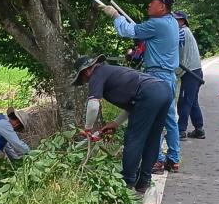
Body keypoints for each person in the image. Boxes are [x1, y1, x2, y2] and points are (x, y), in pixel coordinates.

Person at [100, 0, 180, 173]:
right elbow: (141, 31)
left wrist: (115, 16)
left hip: (157, 76)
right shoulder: (172, 22)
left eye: (151, 3)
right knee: (169, 120)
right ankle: (173, 159)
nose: (148, 6)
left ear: (162, 6)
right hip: (169, 75)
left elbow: (126, 31)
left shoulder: (157, 24)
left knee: (156, 120)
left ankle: (158, 159)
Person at [72, 54, 172, 193]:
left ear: (86, 71)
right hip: (164, 90)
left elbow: (93, 105)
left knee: (133, 139)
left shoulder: (97, 74)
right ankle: (144, 182)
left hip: (149, 94)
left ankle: (127, 183)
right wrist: (116, 123)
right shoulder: (111, 72)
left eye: (83, 78)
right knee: (152, 139)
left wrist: (87, 129)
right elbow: (134, 107)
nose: (86, 81)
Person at [172, 11, 205, 140]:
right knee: (192, 101)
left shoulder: (183, 32)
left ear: (182, 21)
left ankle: (181, 131)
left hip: (191, 72)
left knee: (184, 102)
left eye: (176, 20)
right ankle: (199, 129)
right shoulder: (186, 32)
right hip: (195, 71)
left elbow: (172, 42)